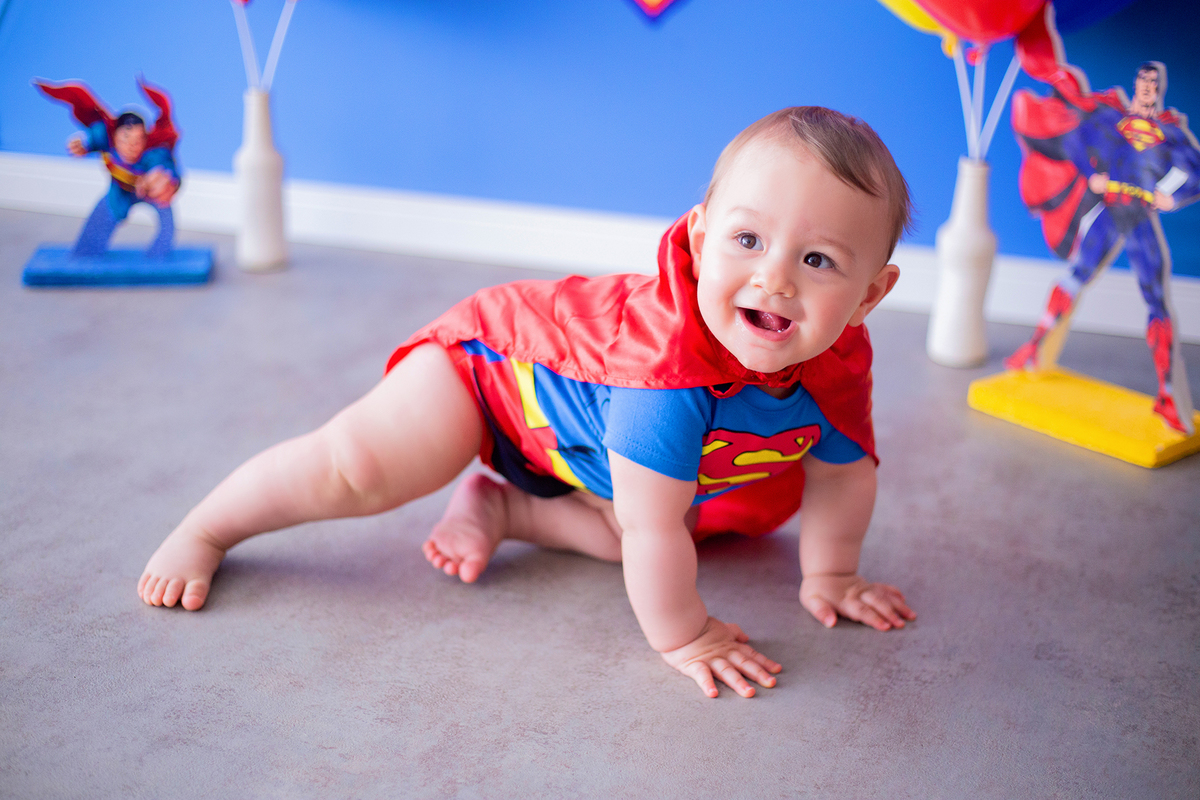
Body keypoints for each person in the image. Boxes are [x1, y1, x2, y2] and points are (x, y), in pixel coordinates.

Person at [138, 106, 917, 698]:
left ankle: (506, 507)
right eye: (747, 241)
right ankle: (208, 527)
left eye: (818, 260)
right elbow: (651, 527)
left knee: (655, 533)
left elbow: (843, 472)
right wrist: (686, 637)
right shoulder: (664, 366)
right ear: (699, 237)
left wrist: (831, 574)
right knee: (358, 469)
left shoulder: (839, 363)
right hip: (494, 374)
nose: (774, 279)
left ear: (869, 296)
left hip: (577, 450)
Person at [1003, 55, 1200, 434]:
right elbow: (1077, 140)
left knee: (1156, 299)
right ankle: (1034, 347)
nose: (1147, 89)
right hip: (1110, 210)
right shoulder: (1112, 119)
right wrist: (1091, 174)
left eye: (1153, 83)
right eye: (1142, 82)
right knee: (1076, 274)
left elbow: (1195, 171)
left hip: (1140, 215)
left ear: (1159, 88)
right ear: (1136, 84)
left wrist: (1173, 196)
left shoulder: (1169, 132)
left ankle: (1168, 394)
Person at [34, 79, 181, 258]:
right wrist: (84, 145)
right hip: (119, 191)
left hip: (150, 192)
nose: (132, 146)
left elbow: (161, 162)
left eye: (138, 140)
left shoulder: (152, 153)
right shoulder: (107, 139)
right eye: (126, 138)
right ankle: (87, 253)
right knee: (103, 216)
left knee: (165, 214)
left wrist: (162, 177)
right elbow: (95, 137)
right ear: (115, 136)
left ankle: (159, 255)